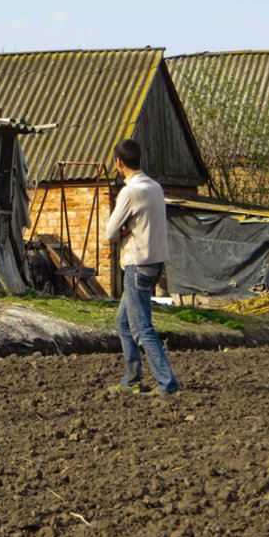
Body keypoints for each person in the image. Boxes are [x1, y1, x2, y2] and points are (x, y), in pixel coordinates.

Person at [104, 139, 181, 396]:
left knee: (141, 328)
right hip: (155, 262)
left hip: (137, 264)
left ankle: (166, 382)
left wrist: (124, 229)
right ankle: (131, 380)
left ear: (118, 162)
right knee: (123, 322)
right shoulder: (155, 187)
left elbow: (110, 232)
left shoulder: (129, 192)